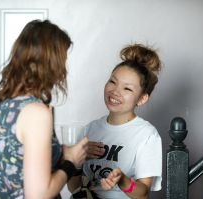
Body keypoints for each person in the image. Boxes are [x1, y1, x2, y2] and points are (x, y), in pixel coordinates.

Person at [0, 19, 88, 199]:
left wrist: (59, 153)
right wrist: (70, 162)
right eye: (62, 61)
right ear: (51, 63)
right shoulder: (36, 112)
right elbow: (38, 195)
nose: (63, 71)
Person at [68, 44, 162, 199]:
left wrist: (123, 180)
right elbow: (74, 187)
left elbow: (143, 193)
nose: (115, 91)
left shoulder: (147, 135)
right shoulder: (89, 129)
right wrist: (76, 161)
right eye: (112, 81)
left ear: (142, 98)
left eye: (127, 89)